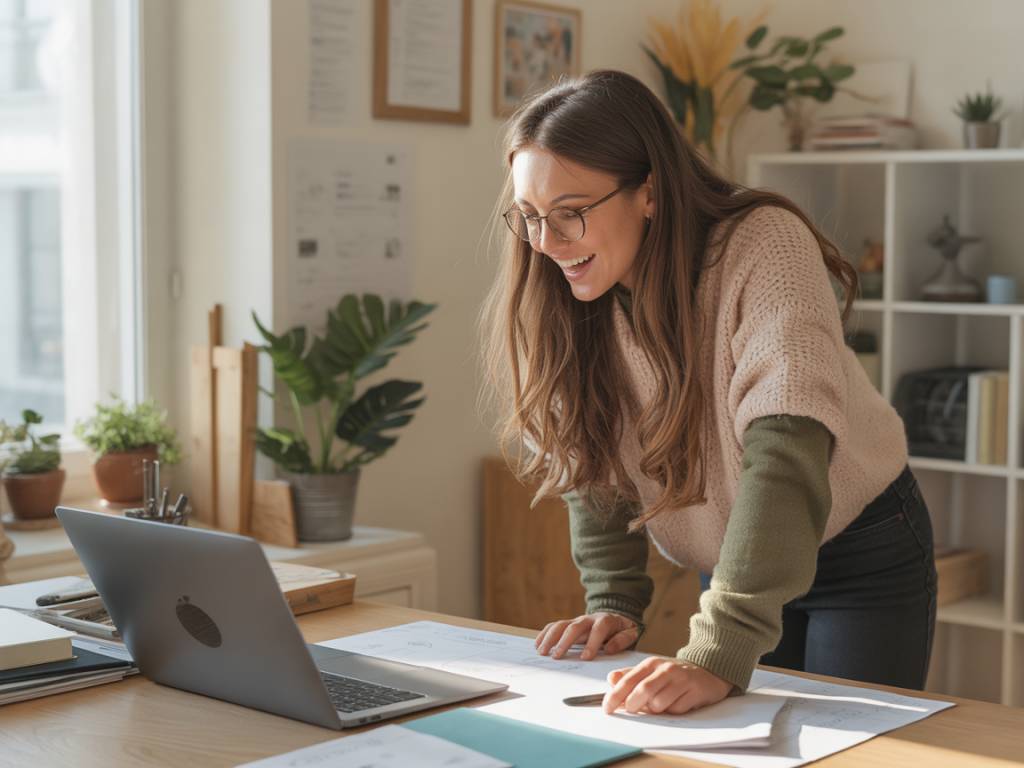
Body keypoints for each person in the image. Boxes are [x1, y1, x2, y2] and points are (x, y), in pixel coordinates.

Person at [479, 70, 937, 717]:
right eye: (529, 217)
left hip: (856, 551)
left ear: (650, 193)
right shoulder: (574, 291)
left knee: (848, 751)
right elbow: (590, 456)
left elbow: (784, 451)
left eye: (571, 214)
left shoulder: (762, 244)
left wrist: (721, 647)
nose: (546, 244)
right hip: (738, 564)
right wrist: (612, 597)